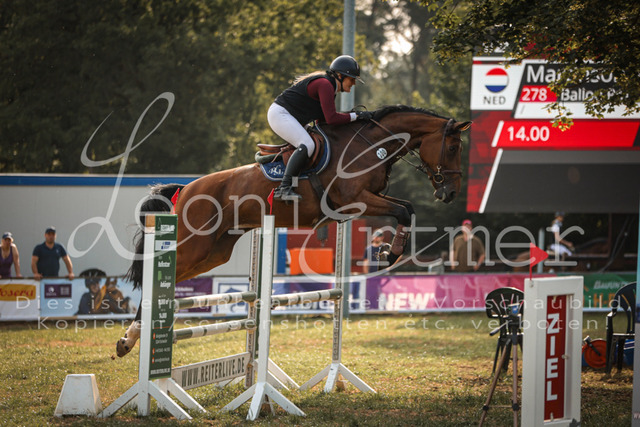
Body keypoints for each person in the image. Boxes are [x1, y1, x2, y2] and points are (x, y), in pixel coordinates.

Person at [268, 54, 373, 201]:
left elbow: (322, 121)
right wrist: (357, 116)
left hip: (292, 117)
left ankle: (301, 183)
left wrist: (353, 119)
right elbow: (331, 119)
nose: (354, 83)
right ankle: (283, 188)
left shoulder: (330, 87)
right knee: (308, 145)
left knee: (317, 143)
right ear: (339, 76)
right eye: (352, 79)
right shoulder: (325, 85)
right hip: (280, 114)